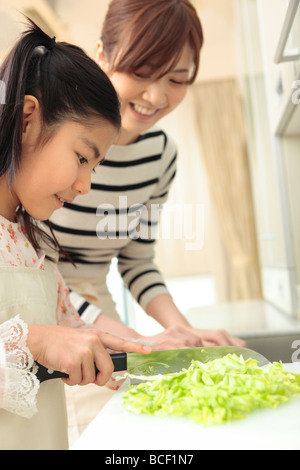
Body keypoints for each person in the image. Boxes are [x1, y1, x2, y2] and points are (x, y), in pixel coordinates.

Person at [48, 0, 247, 441]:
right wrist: (140, 342)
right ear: (103, 55)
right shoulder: (56, 129)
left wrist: (178, 329)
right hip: (38, 300)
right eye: (141, 72)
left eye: (177, 79)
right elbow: (37, 267)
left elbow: (137, 261)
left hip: (96, 303)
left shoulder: (160, 155)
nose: (157, 97)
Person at [0, 18, 153, 450]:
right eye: (82, 157)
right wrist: (36, 340)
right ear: (28, 118)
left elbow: (68, 327)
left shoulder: (37, 242)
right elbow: (47, 339)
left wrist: (141, 348)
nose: (86, 185)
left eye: (95, 167)